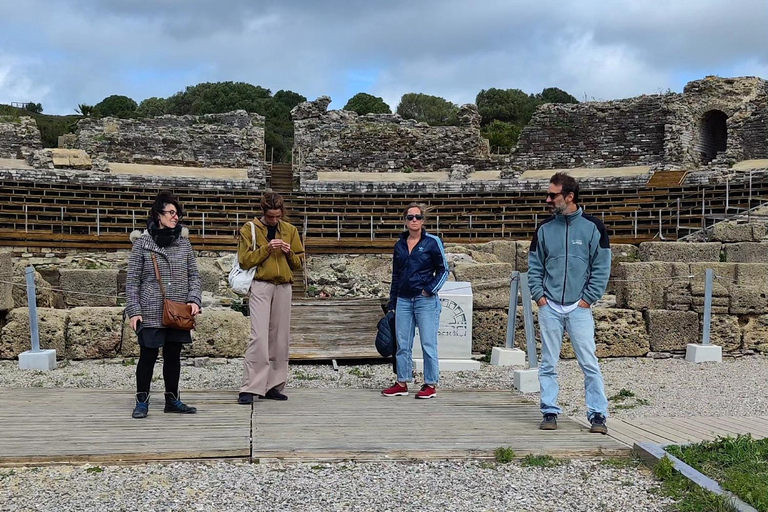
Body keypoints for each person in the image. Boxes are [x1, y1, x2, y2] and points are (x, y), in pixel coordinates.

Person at [528, 172, 612, 434]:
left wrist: (588, 299)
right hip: (550, 306)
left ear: (569, 196)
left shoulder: (593, 227)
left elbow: (602, 266)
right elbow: (534, 265)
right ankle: (549, 411)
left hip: (579, 307)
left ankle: (597, 414)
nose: (548, 199)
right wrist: (539, 296)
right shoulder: (544, 229)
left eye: (552, 195)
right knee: (548, 362)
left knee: (589, 362)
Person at [126, 190, 202, 419]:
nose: (175, 216)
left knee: (173, 356)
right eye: (170, 212)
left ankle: (172, 400)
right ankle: (142, 401)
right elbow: (132, 281)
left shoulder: (184, 243)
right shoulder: (142, 244)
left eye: (176, 213)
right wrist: (134, 311)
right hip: (150, 310)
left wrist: (194, 299)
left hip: (178, 310)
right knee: (147, 357)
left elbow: (194, 276)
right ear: (158, 215)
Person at [237, 192, 304, 405]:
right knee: (258, 336)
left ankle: (274, 385)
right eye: (270, 216)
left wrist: (288, 252)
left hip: (284, 286)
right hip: (261, 284)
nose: (274, 220)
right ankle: (250, 386)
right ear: (263, 212)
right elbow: (244, 260)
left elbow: (299, 263)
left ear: (282, 212)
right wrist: (267, 248)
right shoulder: (249, 229)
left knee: (280, 338)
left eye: (278, 216)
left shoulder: (290, 230)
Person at [382, 203, 449, 399]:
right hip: (403, 299)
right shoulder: (399, 245)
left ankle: (430, 384)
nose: (414, 220)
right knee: (402, 343)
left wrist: (429, 289)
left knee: (428, 343)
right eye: (410, 217)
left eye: (417, 217)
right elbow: (396, 275)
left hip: (424, 299)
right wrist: (392, 302)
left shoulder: (432, 242)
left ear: (423, 220)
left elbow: (444, 270)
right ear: (404, 220)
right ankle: (401, 382)